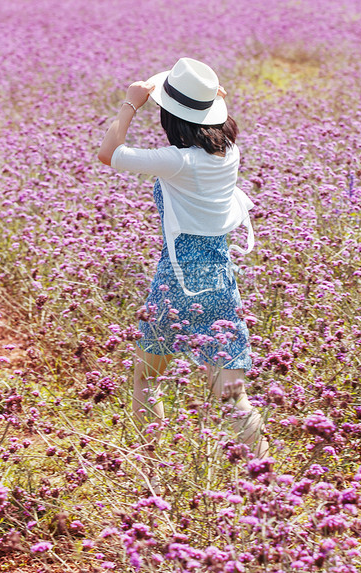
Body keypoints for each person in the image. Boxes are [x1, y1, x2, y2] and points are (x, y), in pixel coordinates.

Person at [97, 58, 269, 481]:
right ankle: (267, 479)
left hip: (177, 276)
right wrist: (213, 98)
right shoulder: (229, 152)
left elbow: (109, 153)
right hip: (219, 275)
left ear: (170, 118)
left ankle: (152, 467)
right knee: (232, 396)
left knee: (147, 377)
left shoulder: (178, 161)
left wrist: (130, 105)